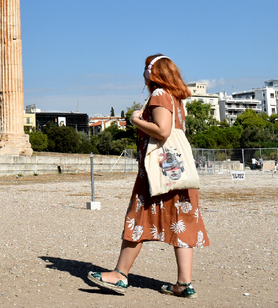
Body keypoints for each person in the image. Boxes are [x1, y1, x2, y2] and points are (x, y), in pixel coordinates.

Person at [87, 55, 210, 298]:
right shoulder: (176, 98)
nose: (143, 72)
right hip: (178, 175)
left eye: (146, 67)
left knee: (138, 217)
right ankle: (184, 284)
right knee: (182, 222)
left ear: (153, 72)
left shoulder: (159, 95)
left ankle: (120, 274)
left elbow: (163, 131)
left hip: (158, 175)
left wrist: (135, 120)